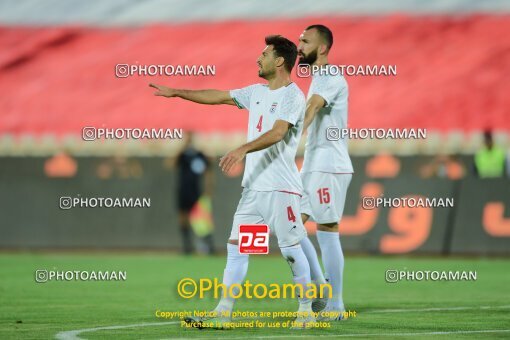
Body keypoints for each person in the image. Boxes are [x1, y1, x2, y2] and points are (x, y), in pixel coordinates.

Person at [150, 35, 316, 329]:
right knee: (238, 248)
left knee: (290, 249)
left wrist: (242, 148)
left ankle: (306, 310)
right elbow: (218, 96)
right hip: (253, 191)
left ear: (279, 61)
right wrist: (178, 92)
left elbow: (278, 133)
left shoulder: (293, 95)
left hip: (281, 190)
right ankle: (223, 312)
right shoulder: (256, 93)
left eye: (264, 54)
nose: (258, 58)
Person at [296, 24, 353, 321]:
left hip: (328, 164)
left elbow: (313, 107)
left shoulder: (330, 77)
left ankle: (335, 305)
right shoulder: (318, 77)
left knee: (327, 232)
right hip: (314, 162)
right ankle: (322, 289)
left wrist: (291, 137)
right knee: (290, 227)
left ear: (322, 48)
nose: (299, 45)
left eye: (305, 41)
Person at [175, 132, 215, 254]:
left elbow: (209, 170)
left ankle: (209, 248)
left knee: (202, 220)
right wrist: (182, 146)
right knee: (183, 218)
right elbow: (170, 163)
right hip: (183, 191)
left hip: (196, 192)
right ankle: (187, 247)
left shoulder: (199, 154)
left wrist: (209, 189)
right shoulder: (182, 155)